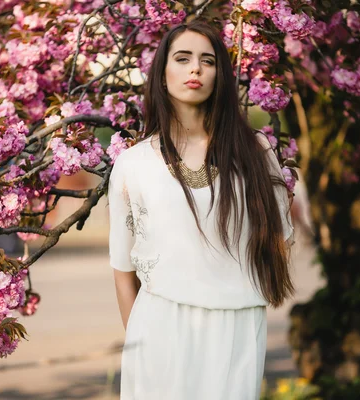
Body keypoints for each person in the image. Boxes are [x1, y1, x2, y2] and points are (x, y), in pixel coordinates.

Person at [107, 19, 295, 400]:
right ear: (162, 74)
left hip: (237, 324)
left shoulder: (254, 150)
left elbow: (279, 239)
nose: (195, 68)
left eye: (207, 61)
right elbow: (123, 269)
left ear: (219, 76)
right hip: (159, 326)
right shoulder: (132, 163)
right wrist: (142, 340)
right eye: (183, 58)